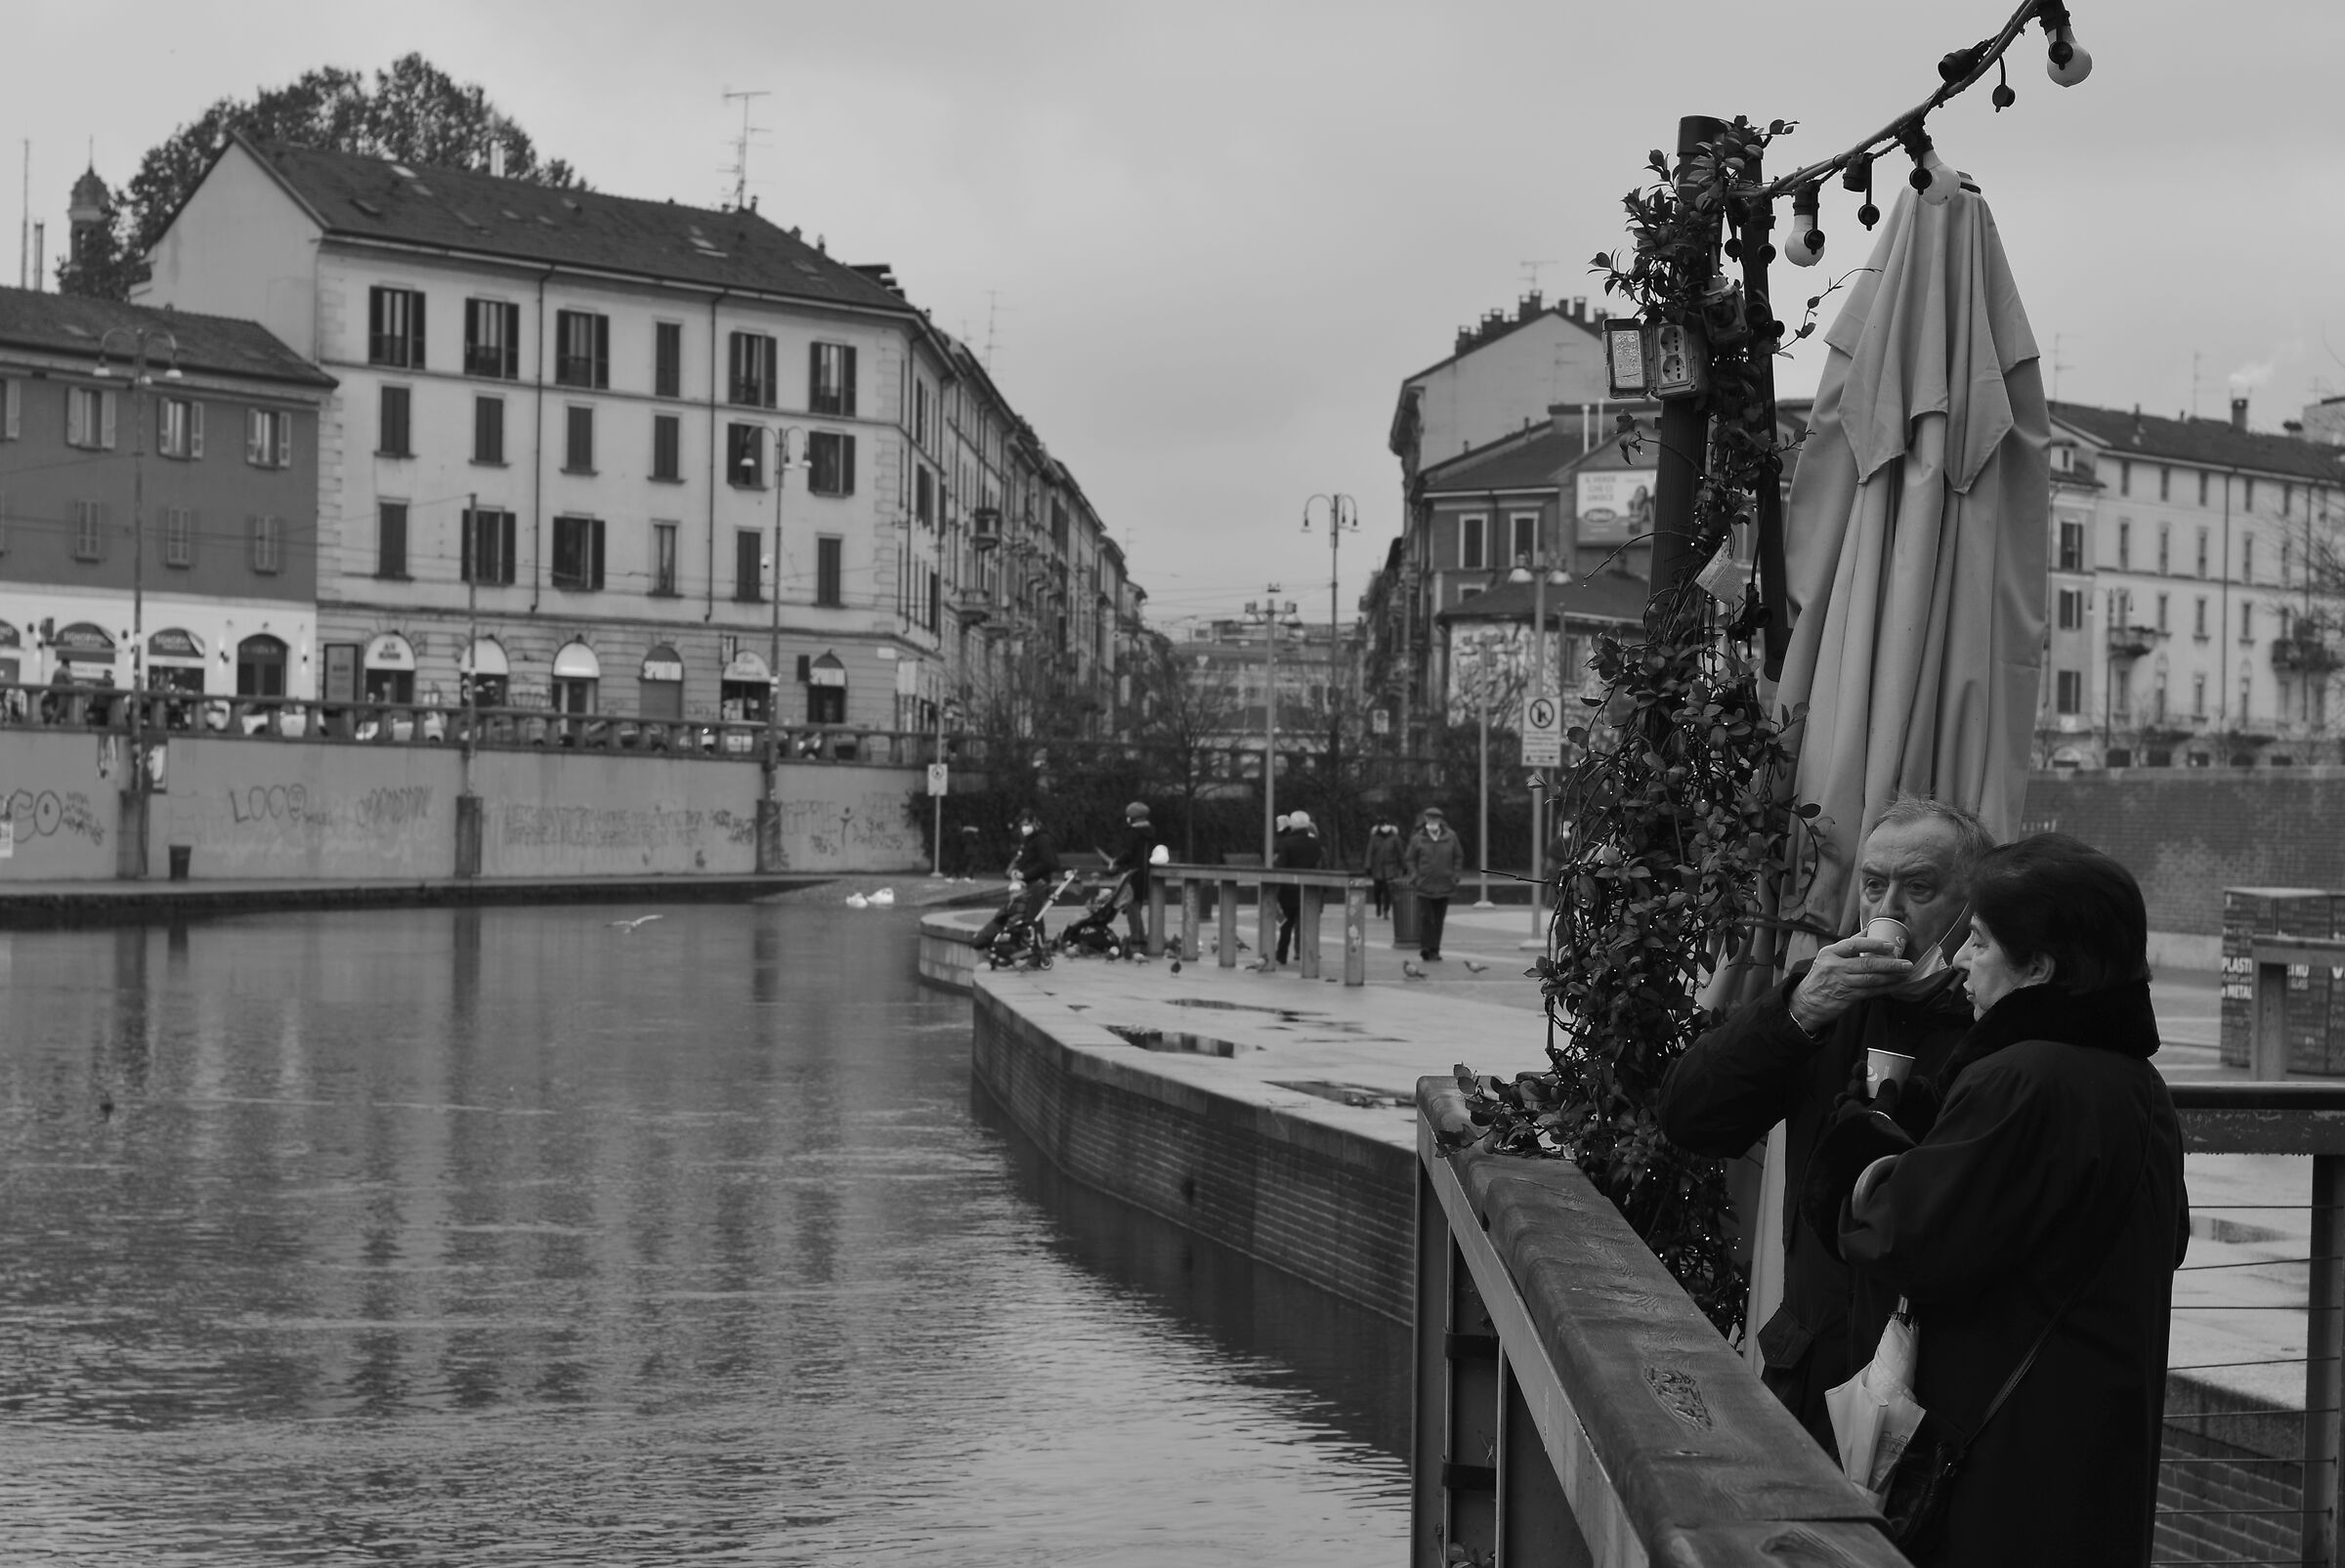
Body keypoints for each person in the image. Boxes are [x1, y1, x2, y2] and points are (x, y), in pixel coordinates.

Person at [1825, 834, 2188, 1567]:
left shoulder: (2018, 1079)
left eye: (1982, 942)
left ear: (2041, 967)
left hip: (2004, 1467)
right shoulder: (2140, 1086)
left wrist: (1861, 1158)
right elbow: (2168, 1240)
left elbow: (1906, 1237)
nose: (1960, 960)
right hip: (2100, 1455)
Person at [1655, 793, 1989, 1455]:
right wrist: (1798, 1011)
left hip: (1941, 1390)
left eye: (1917, 887)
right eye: (1873, 884)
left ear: (1970, 907)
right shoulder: (1826, 993)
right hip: (1816, 1373)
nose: (1888, 908)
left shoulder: (1993, 1019)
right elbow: (1690, 1115)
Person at [970, 808, 1063, 951]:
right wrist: (1017, 871)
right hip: (1028, 884)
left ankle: (1037, 948)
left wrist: (1025, 874)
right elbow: (1027, 859)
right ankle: (1033, 946)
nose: (1023, 828)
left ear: (1034, 822)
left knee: (1033, 916)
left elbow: (1049, 863)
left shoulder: (1043, 839)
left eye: (1026, 824)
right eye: (1022, 825)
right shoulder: (1029, 840)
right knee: (1031, 915)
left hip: (1038, 884)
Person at [1401, 807, 1463, 961]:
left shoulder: (1451, 837)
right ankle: (1425, 947)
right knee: (1426, 918)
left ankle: (1435, 949)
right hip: (1424, 885)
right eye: (1430, 819)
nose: (1433, 822)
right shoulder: (1418, 838)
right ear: (1426, 820)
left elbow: (1458, 856)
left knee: (1438, 920)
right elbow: (1410, 858)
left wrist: (1455, 875)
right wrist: (1415, 875)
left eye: (1435, 819)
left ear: (1440, 821)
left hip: (1444, 884)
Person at [1105, 800, 1159, 951]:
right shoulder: (1151, 832)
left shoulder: (1133, 833)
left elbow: (1128, 853)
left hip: (1133, 875)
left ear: (1132, 818)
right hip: (1147, 874)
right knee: (1137, 907)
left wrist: (1115, 862)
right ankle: (1141, 940)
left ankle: (1137, 942)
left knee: (1131, 909)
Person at [1272, 809, 1322, 964]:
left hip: (1289, 890)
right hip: (1310, 889)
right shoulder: (1315, 843)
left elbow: (1280, 866)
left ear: (1292, 825)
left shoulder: (1287, 843)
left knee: (1286, 925)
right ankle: (1309, 954)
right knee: (1307, 923)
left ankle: (1281, 955)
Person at [1364, 822, 1404, 918]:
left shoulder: (1395, 838)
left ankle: (1386, 910)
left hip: (1390, 868)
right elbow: (1369, 852)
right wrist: (1368, 866)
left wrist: (1404, 866)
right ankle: (1378, 906)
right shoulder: (1374, 838)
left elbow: (1400, 853)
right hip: (1377, 868)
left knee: (1388, 891)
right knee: (1377, 890)